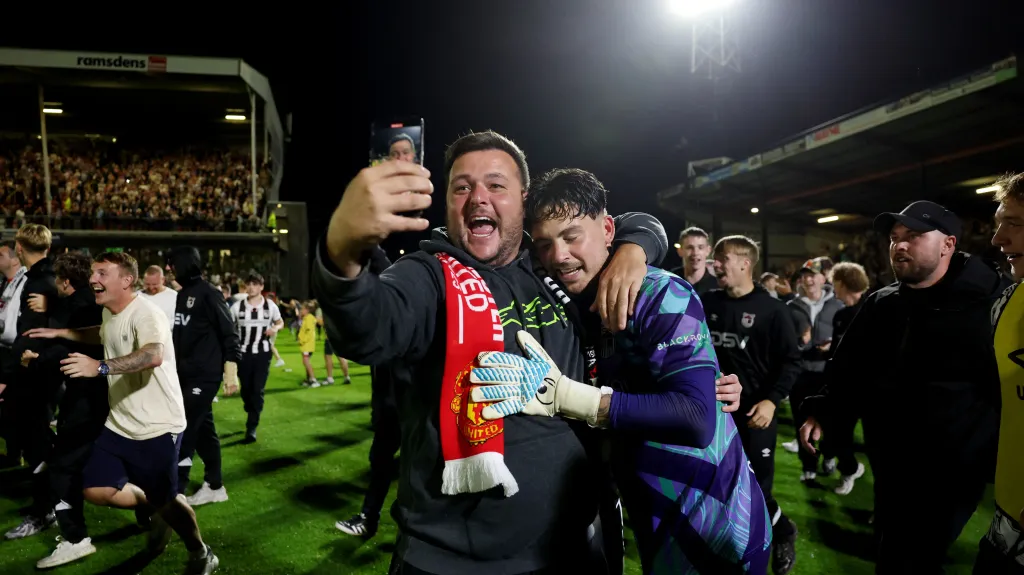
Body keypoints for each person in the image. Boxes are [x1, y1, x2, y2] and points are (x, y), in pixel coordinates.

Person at [313, 130, 669, 574]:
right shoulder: (428, 276)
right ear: (446, 202)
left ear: (524, 199)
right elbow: (366, 328)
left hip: (575, 547)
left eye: (496, 185)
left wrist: (635, 249)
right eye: (462, 187)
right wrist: (342, 251)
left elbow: (637, 222)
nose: (478, 197)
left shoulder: (554, 260)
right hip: (452, 562)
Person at [504, 167, 770, 573]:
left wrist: (572, 400)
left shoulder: (660, 291)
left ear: (608, 230)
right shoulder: (576, 301)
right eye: (544, 244)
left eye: (572, 237)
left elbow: (697, 417)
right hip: (651, 512)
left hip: (712, 521)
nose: (558, 255)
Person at [800, 200, 1006, 574]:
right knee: (893, 551)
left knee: (909, 558)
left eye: (913, 236)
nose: (899, 245)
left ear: (948, 244)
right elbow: (850, 370)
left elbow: (1004, 388)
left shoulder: (991, 305)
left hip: (951, 470)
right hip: (891, 463)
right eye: (895, 238)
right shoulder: (882, 303)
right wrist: (824, 410)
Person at [26, 251, 219, 574]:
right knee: (96, 489)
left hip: (156, 426)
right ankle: (155, 504)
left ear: (127, 280)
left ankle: (200, 551)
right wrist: (61, 333)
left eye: (102, 273)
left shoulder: (147, 313)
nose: (93, 279)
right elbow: (101, 334)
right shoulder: (110, 313)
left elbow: (152, 355)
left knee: (168, 500)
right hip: (120, 424)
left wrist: (99, 367)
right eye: (93, 273)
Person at [702, 235, 802, 575]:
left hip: (755, 414)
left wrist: (771, 402)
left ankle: (783, 531)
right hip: (713, 413)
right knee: (716, 481)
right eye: (715, 258)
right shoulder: (706, 302)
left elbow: (791, 362)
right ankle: (728, 542)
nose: (716, 264)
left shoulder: (773, 310)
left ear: (745, 263)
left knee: (756, 487)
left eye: (722, 258)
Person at [21, 252, 108, 568]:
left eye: (58, 279)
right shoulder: (88, 302)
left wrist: (36, 359)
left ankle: (75, 538)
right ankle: (152, 504)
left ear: (66, 282)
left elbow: (71, 348)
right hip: (96, 395)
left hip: (88, 397)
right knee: (93, 463)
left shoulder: (82, 306)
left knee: (64, 466)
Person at [166, 246, 241, 508]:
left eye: (171, 263)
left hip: (203, 377)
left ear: (185, 264)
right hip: (185, 375)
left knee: (184, 429)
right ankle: (215, 486)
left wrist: (231, 373)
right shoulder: (182, 294)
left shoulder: (209, 294)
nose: (168, 269)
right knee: (204, 430)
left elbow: (230, 333)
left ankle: (175, 494)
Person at [336, 250, 400, 539]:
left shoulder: (401, 294)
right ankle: (369, 518)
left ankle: (412, 528)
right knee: (381, 461)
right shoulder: (376, 311)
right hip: (388, 406)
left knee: (417, 466)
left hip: (414, 404)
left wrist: (367, 246)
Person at [978, 173, 1024, 573]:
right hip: (1006, 530)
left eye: (1016, 223)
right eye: (999, 223)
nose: (998, 239)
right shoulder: (1005, 303)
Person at [3, 224, 59, 540]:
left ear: (21, 248)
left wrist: (23, 362)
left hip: (37, 374)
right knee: (28, 436)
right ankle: (45, 502)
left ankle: (45, 509)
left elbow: (36, 330)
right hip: (34, 371)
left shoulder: (43, 281)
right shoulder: (43, 277)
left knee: (37, 442)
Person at [781, 257, 844, 479]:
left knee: (831, 421)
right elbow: (785, 344)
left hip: (829, 373)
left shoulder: (838, 304)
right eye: (805, 275)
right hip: (801, 373)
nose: (808, 279)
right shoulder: (791, 307)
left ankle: (828, 455)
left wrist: (833, 345)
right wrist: (802, 342)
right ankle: (808, 466)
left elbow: (846, 337)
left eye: (813, 275)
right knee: (801, 420)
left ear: (823, 278)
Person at [819, 262, 870, 496]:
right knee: (838, 434)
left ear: (843, 282)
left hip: (868, 388)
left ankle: (852, 470)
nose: (832, 286)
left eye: (834, 282)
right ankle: (850, 469)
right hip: (842, 387)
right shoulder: (840, 314)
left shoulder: (873, 309)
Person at [229, 270, 284, 443]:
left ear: (261, 287)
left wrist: (275, 329)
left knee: (257, 389)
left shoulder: (270, 306)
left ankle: (251, 426)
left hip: (263, 353)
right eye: (248, 285)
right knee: (247, 390)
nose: (251, 288)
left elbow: (280, 322)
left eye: (255, 284)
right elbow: (230, 328)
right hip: (243, 353)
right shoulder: (237, 307)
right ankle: (250, 407)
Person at [0, 240, 27, 468]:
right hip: (5, 352)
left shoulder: (25, 281)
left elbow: (12, 330)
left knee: (14, 409)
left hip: (15, 356)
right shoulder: (7, 282)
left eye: (1, 255)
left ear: (15, 259)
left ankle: (20, 457)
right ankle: (13, 454)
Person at [671, 227, 719, 296]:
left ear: (708, 250)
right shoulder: (669, 282)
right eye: (690, 247)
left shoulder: (717, 287)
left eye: (700, 247)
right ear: (680, 251)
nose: (695, 253)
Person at [316, 305, 350, 385]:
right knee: (342, 357)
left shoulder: (322, 308)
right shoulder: (338, 306)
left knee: (328, 357)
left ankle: (330, 378)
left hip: (330, 337)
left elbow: (320, 322)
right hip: (340, 336)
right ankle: (346, 377)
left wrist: (320, 319)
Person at [298, 302, 319, 387]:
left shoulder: (309, 318)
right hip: (306, 344)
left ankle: (314, 380)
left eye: (302, 309)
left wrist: (302, 340)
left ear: (307, 310)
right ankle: (309, 379)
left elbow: (309, 332)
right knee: (306, 361)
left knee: (306, 361)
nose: (301, 310)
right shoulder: (307, 318)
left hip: (307, 344)